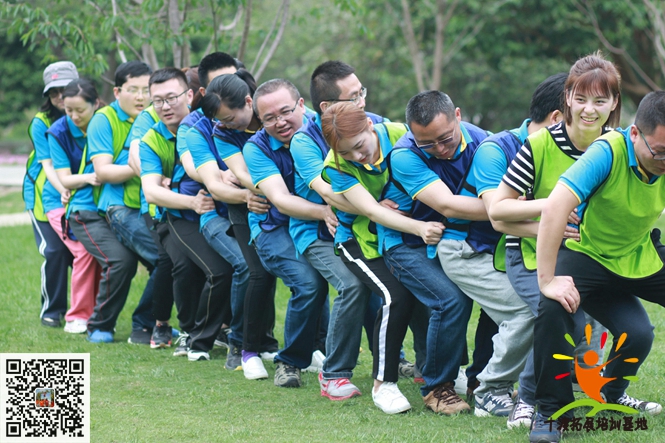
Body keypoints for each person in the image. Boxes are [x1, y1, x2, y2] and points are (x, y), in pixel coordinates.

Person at [489, 54, 621, 430]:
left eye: (600, 100)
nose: (589, 109)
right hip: (530, 254)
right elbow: (498, 212)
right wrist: (554, 207)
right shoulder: (539, 144)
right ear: (567, 99)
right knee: (564, 316)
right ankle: (527, 398)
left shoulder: (618, 145)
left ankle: (605, 390)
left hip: (587, 255)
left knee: (623, 326)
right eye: (581, 99)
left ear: (614, 103)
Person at [527, 90, 665, 443]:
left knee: (637, 335)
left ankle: (610, 392)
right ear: (635, 133)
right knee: (553, 307)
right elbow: (555, 207)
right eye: (660, 152)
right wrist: (547, 280)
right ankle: (550, 413)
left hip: (636, 253)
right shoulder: (608, 151)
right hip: (586, 253)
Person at [321, 102, 442, 414]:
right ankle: (383, 384)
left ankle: (434, 371)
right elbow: (372, 212)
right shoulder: (336, 166)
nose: (356, 156)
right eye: (346, 152)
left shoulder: (402, 135)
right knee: (395, 295)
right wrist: (420, 227)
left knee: (430, 292)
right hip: (356, 240)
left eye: (359, 146)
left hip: (398, 237)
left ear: (369, 127)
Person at [140, 67, 234, 361]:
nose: (165, 106)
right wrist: (191, 202)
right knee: (185, 266)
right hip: (173, 216)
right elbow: (152, 192)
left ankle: (221, 327)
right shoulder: (151, 140)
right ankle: (190, 331)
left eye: (171, 98)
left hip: (214, 211)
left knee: (226, 267)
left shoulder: (208, 123)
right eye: (158, 101)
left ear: (189, 95)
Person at [242, 79, 331, 388]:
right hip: (274, 227)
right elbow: (280, 200)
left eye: (285, 112)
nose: (279, 122)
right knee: (308, 282)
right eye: (269, 118)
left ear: (302, 105)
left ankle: (389, 360)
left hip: (321, 223)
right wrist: (325, 212)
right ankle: (289, 361)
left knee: (357, 280)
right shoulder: (256, 148)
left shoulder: (325, 126)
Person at [68, 61, 153, 343]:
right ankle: (100, 325)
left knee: (167, 260)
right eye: (133, 90)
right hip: (88, 210)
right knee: (120, 261)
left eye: (146, 90)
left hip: (127, 207)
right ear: (117, 92)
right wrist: (145, 167)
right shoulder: (104, 119)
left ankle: (151, 323)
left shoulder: (152, 117)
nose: (141, 96)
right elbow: (103, 172)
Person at [45, 78, 103, 334]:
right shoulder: (57, 132)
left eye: (80, 110)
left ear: (95, 104)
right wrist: (90, 177)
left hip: (94, 201)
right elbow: (65, 179)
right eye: (69, 110)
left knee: (101, 253)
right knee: (84, 250)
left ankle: (95, 313)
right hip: (60, 201)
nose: (74, 116)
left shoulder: (104, 122)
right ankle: (77, 316)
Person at [23, 61, 78, 328]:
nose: (59, 96)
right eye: (53, 92)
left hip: (75, 192)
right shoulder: (41, 122)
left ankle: (84, 311)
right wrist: (64, 189)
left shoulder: (89, 115)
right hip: (43, 196)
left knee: (80, 253)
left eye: (64, 89)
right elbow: (49, 165)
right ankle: (52, 310)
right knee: (55, 251)